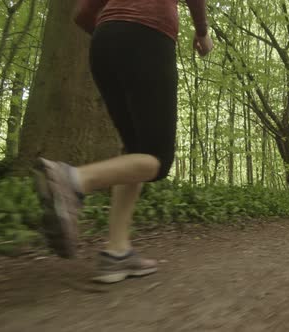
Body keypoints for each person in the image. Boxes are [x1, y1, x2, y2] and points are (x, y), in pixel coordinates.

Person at [33, 0, 213, 284]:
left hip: (104, 43)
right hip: (149, 36)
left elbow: (81, 15)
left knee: (135, 149)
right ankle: (74, 180)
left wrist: (115, 32)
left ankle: (116, 252)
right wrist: (202, 31)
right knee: (157, 160)